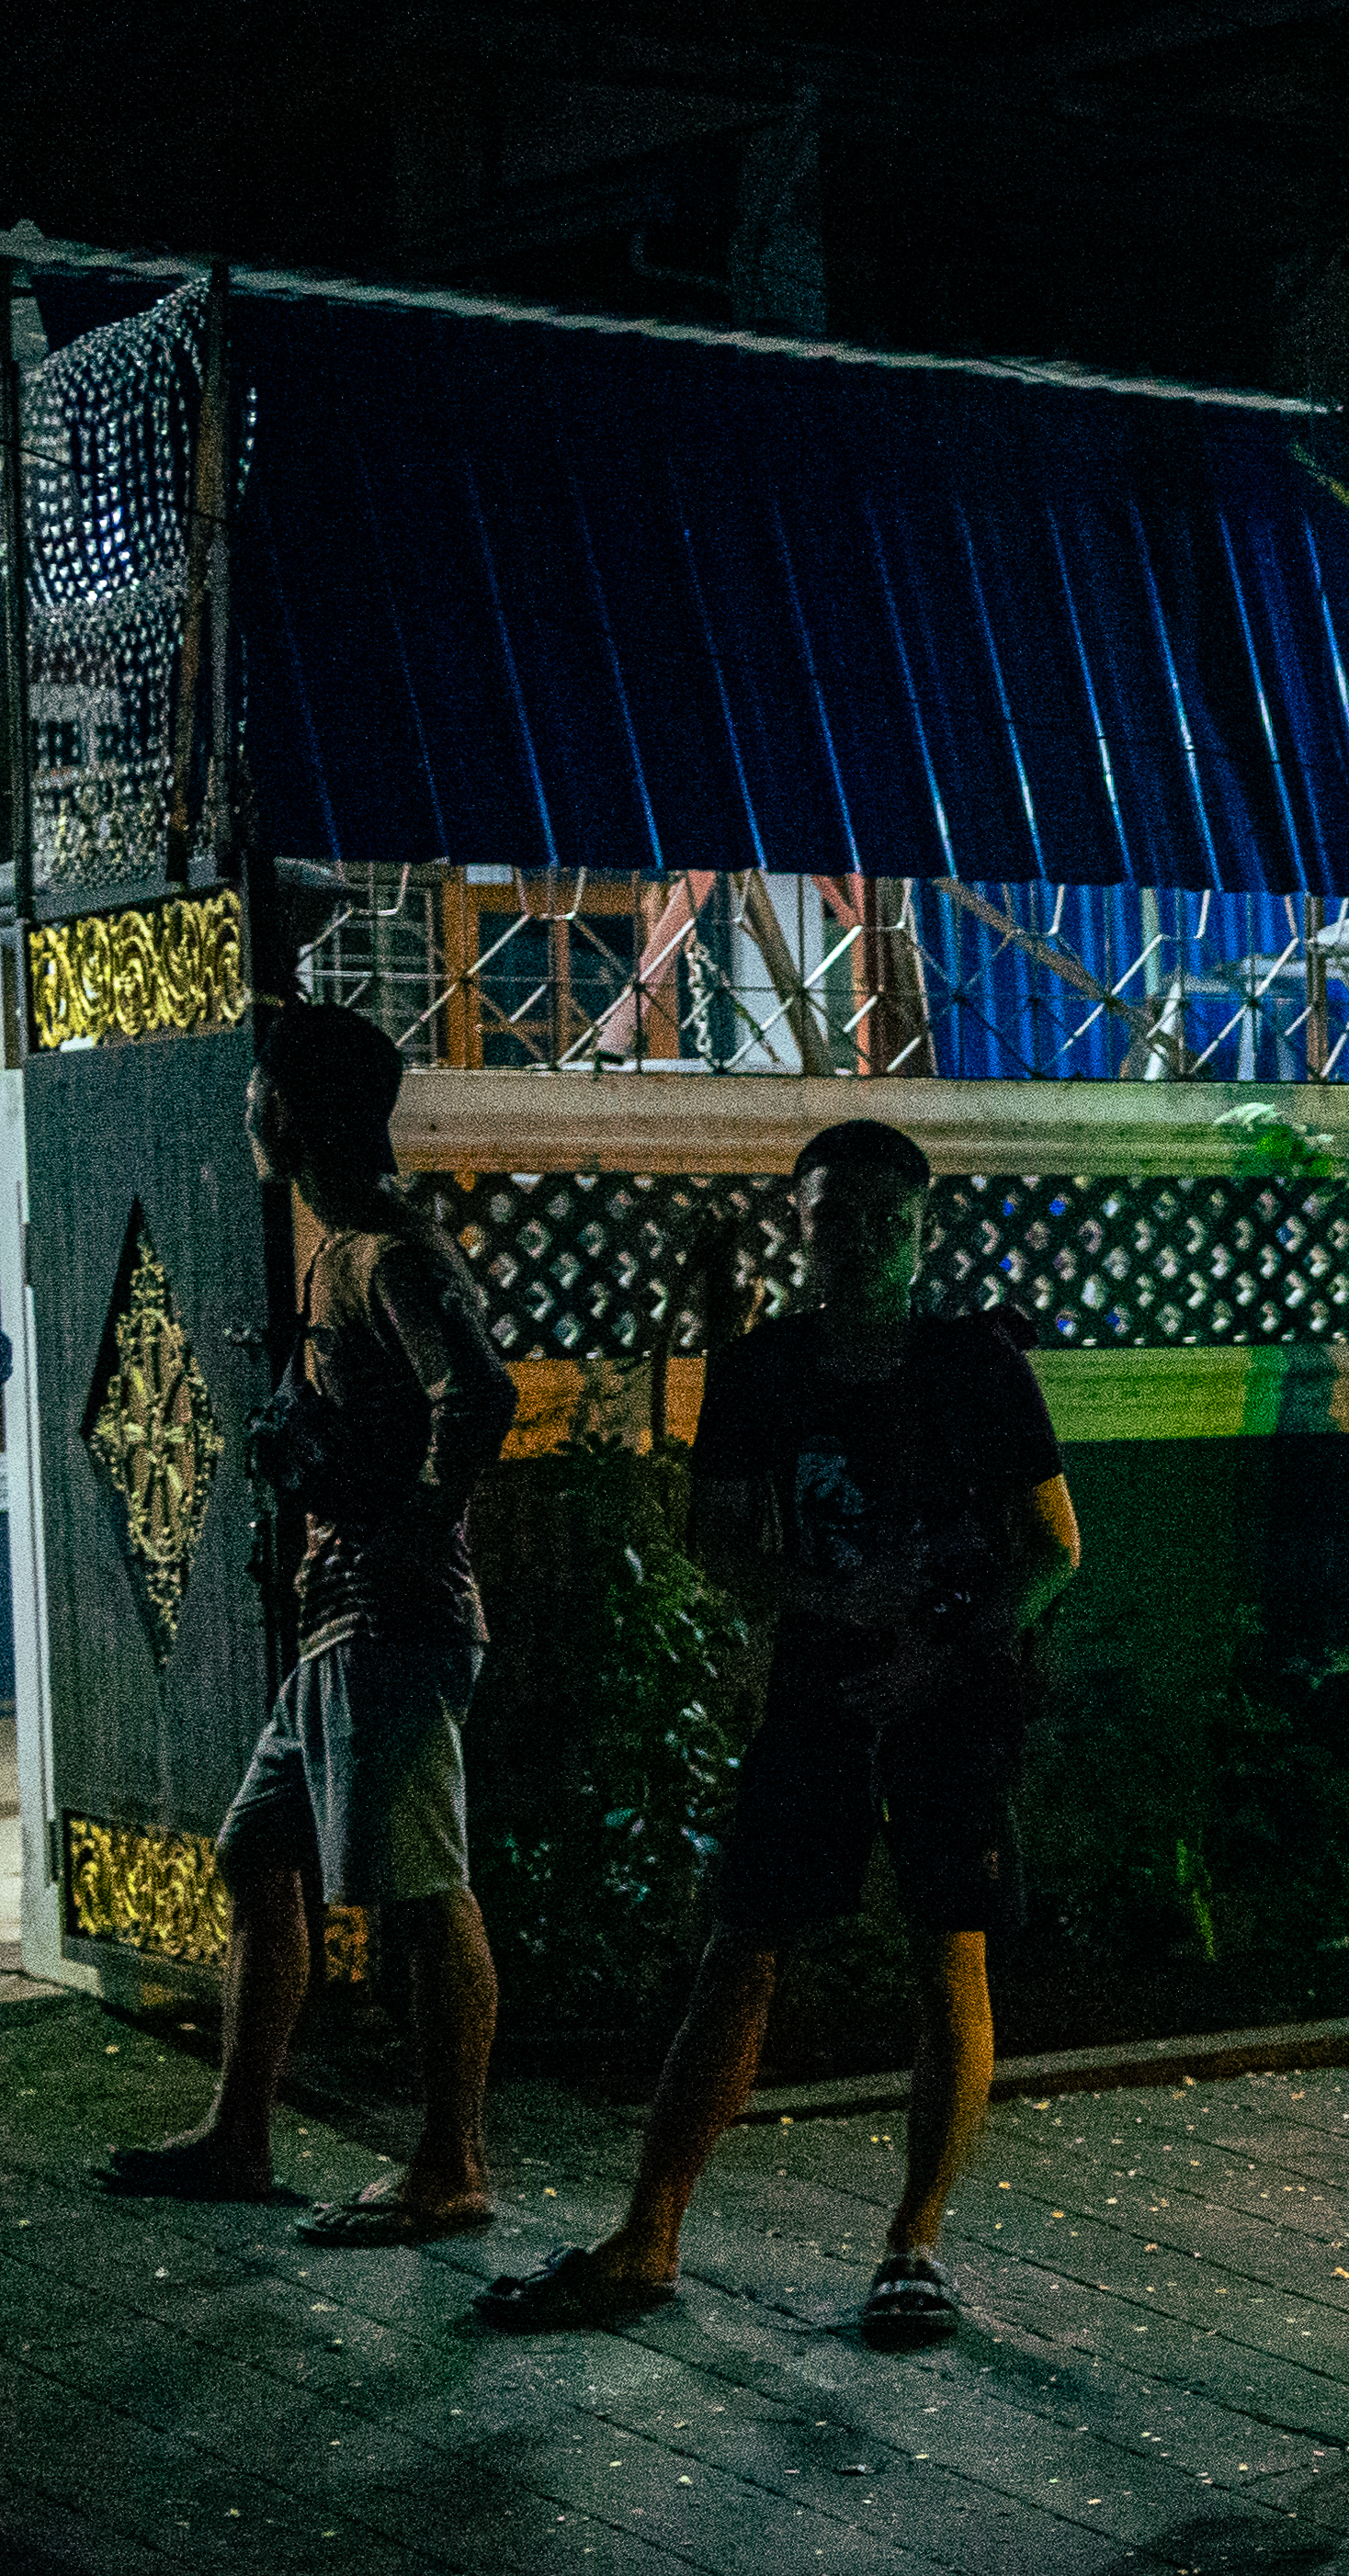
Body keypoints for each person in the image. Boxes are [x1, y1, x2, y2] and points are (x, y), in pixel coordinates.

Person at [474, 1120, 1077, 2343]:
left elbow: (1053, 1548)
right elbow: (719, 1537)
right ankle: (648, 2232)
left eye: (888, 1221)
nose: (862, 1243)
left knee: (946, 1949)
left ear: (920, 1234)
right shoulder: (763, 1371)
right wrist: (832, 1602)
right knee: (742, 1946)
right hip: (818, 1696)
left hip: (949, 1704)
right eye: (835, 1217)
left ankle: (914, 2244)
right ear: (799, 1227)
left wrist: (939, 1657)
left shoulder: (975, 1366)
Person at [102, 1003, 517, 2241]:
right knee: (256, 1851)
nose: (246, 1113)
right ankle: (240, 2132)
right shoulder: (348, 1248)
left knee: (422, 1891)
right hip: (344, 1621)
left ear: (285, 1109)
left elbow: (478, 1395)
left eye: (255, 1094)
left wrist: (410, 1528)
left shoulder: (386, 1253)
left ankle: (451, 2164)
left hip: (388, 1620)